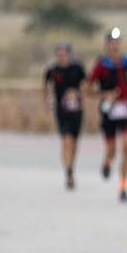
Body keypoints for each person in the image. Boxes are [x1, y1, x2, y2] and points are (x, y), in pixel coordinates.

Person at [89, 27, 127, 203]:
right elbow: (88, 87)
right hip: (109, 110)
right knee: (112, 150)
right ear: (107, 44)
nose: (115, 45)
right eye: (112, 42)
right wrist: (104, 94)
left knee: (126, 146)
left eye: (118, 41)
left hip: (125, 110)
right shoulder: (101, 65)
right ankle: (107, 162)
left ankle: (123, 187)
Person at [43, 43, 87, 191]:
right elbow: (45, 87)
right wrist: (48, 101)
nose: (62, 57)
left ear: (69, 54)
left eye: (64, 54)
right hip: (62, 112)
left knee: (74, 142)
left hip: (77, 110)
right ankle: (68, 172)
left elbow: (86, 87)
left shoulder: (77, 69)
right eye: (59, 54)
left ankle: (71, 166)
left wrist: (77, 94)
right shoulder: (52, 71)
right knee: (66, 140)